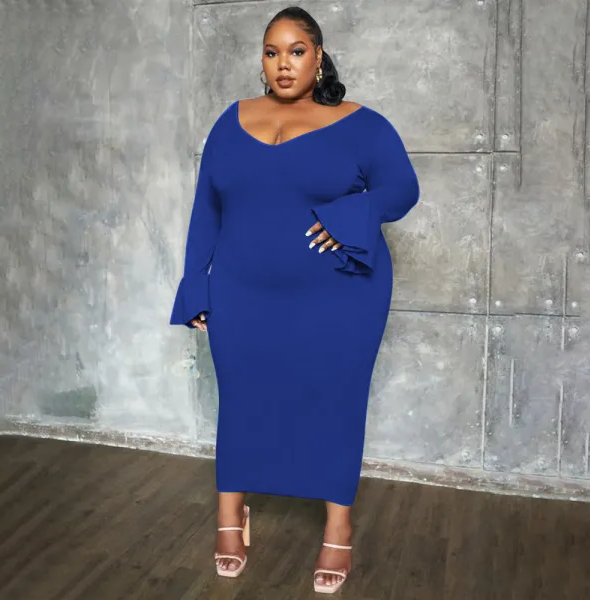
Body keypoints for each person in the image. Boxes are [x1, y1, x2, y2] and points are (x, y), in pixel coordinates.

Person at [170, 5, 420, 594]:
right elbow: (206, 208)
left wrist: (349, 217)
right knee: (240, 398)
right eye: (272, 52)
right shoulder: (230, 121)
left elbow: (402, 189)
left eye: (297, 51)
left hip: (340, 296)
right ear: (262, 61)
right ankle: (231, 514)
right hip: (241, 292)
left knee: (335, 401)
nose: (284, 64)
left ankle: (338, 527)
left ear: (319, 57)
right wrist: (195, 283)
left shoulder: (361, 125)